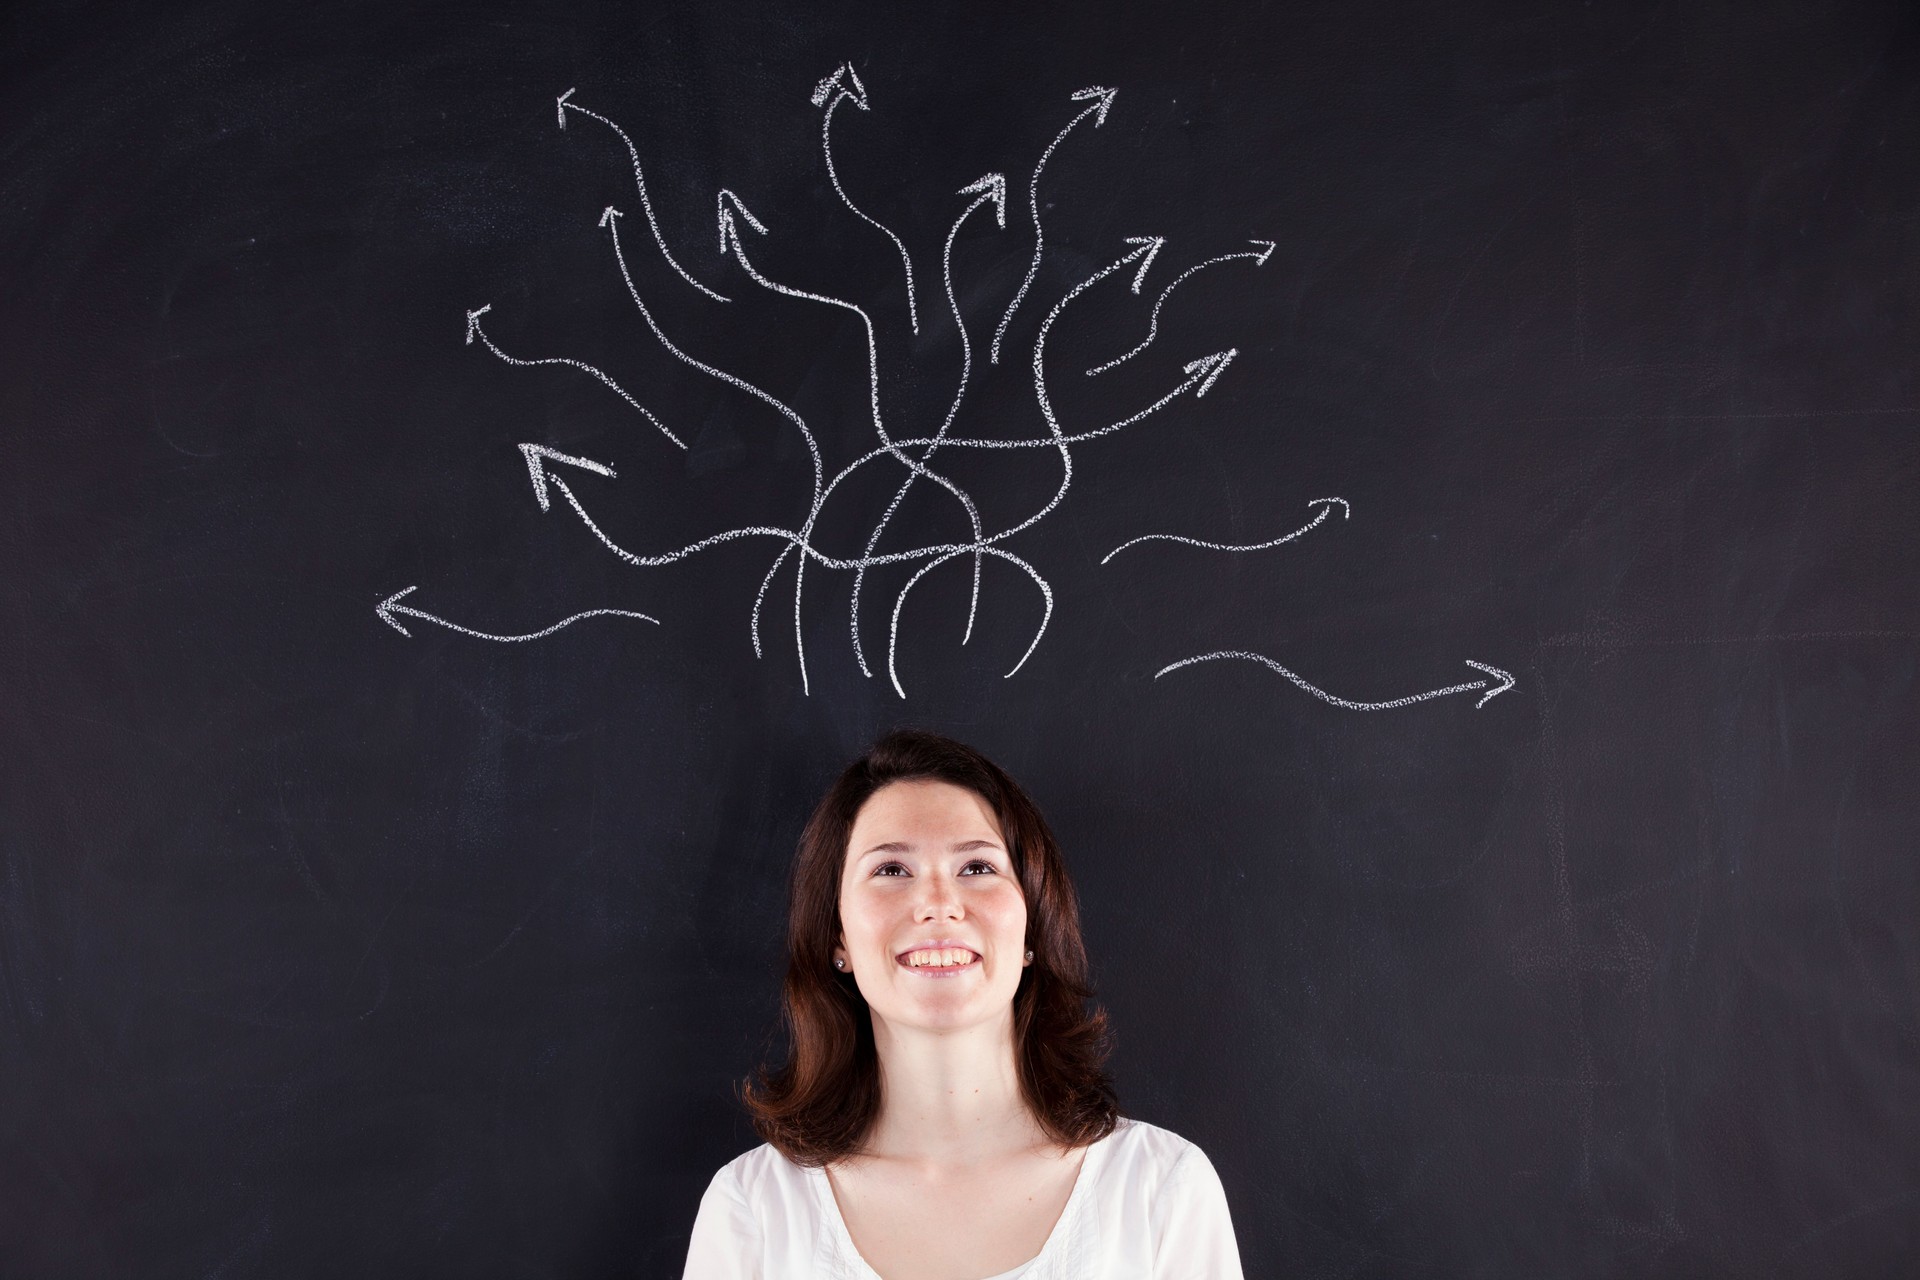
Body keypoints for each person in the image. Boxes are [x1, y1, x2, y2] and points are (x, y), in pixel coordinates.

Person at [681, 729, 1244, 1279]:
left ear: (1031, 928)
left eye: (977, 867)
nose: (938, 904)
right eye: (891, 870)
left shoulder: (1160, 1190)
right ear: (838, 937)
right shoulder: (753, 1211)